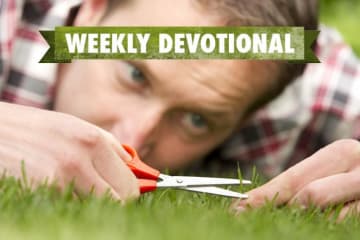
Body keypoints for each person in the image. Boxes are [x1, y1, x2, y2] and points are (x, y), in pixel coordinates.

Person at [0, 0, 359, 217]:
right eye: (135, 74)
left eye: (196, 120)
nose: (133, 137)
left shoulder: (303, 85)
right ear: (93, 11)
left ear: (251, 115)